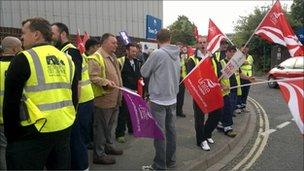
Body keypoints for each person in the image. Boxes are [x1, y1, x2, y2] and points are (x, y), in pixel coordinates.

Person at [3, 17, 78, 170]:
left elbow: (11, 102)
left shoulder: (24, 58)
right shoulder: (67, 59)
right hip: (64, 127)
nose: (21, 37)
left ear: (36, 34)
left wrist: (12, 137)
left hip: (33, 131)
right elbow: (74, 94)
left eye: (23, 33)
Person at [51, 22, 94, 170]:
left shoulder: (70, 52)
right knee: (75, 139)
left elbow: (75, 83)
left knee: (77, 139)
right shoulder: (63, 51)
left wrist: (73, 107)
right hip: (78, 101)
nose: (50, 36)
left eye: (53, 33)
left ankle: (82, 167)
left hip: (80, 101)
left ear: (63, 34)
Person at [141, 29, 180, 170]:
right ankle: (171, 161)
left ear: (157, 40)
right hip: (172, 98)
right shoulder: (177, 53)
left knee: (159, 134)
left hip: (158, 100)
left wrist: (149, 56)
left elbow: (143, 72)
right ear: (170, 38)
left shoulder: (157, 53)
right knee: (171, 132)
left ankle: (159, 166)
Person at [87, 33, 123, 165]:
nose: (116, 45)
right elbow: (92, 77)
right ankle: (99, 154)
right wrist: (106, 82)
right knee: (101, 128)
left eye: (116, 43)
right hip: (103, 100)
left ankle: (108, 146)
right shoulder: (96, 57)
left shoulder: (112, 57)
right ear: (105, 43)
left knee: (109, 126)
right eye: (113, 43)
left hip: (114, 99)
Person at [186, 36, 221, 151]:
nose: (202, 44)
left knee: (216, 114)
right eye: (200, 43)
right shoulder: (192, 59)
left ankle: (206, 133)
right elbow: (191, 76)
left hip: (212, 91)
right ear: (197, 44)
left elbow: (218, 72)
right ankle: (201, 140)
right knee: (199, 118)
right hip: (200, 93)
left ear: (207, 44)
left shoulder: (213, 57)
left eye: (204, 42)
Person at [0, 36, 22, 170]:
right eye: (20, 48)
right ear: (14, 49)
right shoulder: (20, 67)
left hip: (1, 118)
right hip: (17, 116)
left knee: (3, 148)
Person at [115, 43, 141, 143]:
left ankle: (132, 129)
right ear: (127, 51)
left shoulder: (138, 62)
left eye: (136, 51)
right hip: (124, 91)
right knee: (123, 113)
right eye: (132, 51)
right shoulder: (120, 61)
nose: (135, 53)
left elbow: (139, 75)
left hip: (135, 92)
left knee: (133, 112)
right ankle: (119, 134)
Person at [217, 45, 239, 138]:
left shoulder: (235, 63)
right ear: (226, 52)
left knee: (231, 108)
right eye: (230, 51)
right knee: (228, 109)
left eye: (234, 52)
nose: (232, 53)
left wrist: (249, 78)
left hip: (234, 89)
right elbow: (217, 78)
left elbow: (240, 74)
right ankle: (228, 128)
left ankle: (221, 124)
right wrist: (222, 86)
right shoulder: (221, 63)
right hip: (225, 91)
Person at [239, 44, 254, 113]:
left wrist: (244, 62)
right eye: (243, 48)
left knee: (246, 92)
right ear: (241, 48)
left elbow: (250, 63)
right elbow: (239, 64)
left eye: (246, 48)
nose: (245, 49)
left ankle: (243, 107)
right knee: (240, 92)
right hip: (241, 76)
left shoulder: (250, 56)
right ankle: (238, 107)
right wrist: (243, 62)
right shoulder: (238, 56)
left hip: (248, 77)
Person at [176, 44, 189, 117]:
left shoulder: (184, 56)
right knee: (175, 96)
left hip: (182, 78)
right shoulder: (174, 56)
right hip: (175, 78)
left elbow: (185, 66)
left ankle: (179, 111)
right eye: (179, 47)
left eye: (181, 47)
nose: (180, 49)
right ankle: (174, 110)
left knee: (181, 96)